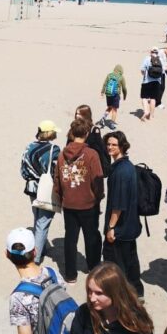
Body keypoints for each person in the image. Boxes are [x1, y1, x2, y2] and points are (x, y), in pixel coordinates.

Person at [54, 118, 104, 284]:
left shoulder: (62, 155)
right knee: (91, 238)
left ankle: (70, 274)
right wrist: (98, 197)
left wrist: (61, 196)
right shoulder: (91, 154)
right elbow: (97, 179)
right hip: (88, 203)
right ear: (87, 133)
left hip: (69, 203)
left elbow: (57, 179)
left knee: (70, 238)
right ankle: (93, 268)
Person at [102, 131, 144, 297]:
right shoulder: (128, 166)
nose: (110, 147)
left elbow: (118, 204)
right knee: (131, 261)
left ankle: (122, 296)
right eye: (108, 144)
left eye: (114, 144)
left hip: (120, 228)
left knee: (115, 265)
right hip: (131, 225)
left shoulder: (120, 171)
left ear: (122, 146)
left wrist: (111, 227)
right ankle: (137, 292)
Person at [20, 122, 61, 264]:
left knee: (37, 218)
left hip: (31, 187)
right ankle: (36, 257)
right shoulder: (54, 150)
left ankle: (41, 248)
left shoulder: (29, 147)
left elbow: (23, 170)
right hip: (46, 189)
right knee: (43, 222)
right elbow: (56, 171)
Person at [73, 104, 110, 178]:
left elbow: (100, 149)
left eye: (79, 114)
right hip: (77, 163)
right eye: (76, 113)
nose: (77, 116)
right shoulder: (74, 128)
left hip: (90, 164)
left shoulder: (94, 130)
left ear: (86, 115)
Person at [139, 48, 164, 121]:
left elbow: (142, 70)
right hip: (157, 82)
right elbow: (163, 72)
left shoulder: (147, 58)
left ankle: (146, 111)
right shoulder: (160, 59)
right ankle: (151, 116)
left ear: (151, 52)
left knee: (144, 97)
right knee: (153, 98)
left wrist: (144, 75)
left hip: (147, 81)